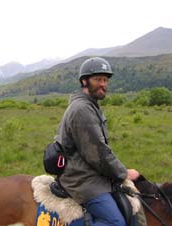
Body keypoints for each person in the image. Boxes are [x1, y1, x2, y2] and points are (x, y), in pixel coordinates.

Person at [54, 57, 140, 226]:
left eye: (105, 80)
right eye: (98, 79)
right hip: (81, 178)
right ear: (84, 81)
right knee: (115, 222)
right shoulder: (82, 109)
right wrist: (123, 173)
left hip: (87, 170)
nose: (103, 84)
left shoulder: (89, 105)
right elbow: (97, 153)